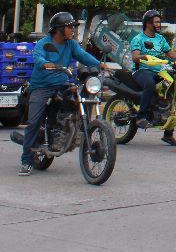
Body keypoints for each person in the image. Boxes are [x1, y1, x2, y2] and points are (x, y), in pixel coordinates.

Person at [19, 12, 109, 176]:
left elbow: (83, 56)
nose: (72, 30)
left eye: (73, 27)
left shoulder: (71, 45)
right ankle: (26, 161)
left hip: (62, 83)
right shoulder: (44, 44)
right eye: (69, 27)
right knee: (33, 122)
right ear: (59, 29)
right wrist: (46, 64)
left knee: (80, 98)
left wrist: (101, 65)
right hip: (42, 87)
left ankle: (72, 130)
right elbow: (38, 58)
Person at [129, 9, 176, 144]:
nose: (159, 24)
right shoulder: (138, 39)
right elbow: (135, 57)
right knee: (150, 84)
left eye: (159, 22)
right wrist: (145, 56)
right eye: (156, 22)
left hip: (158, 71)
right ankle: (141, 116)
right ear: (148, 23)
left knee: (172, 90)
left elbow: (170, 54)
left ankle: (168, 134)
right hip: (141, 71)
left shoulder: (160, 39)